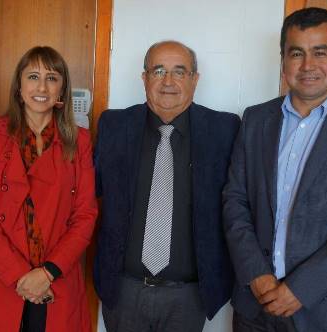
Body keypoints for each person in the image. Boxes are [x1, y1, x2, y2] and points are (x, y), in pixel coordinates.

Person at [223, 7, 327, 332]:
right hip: (255, 306)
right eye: (296, 53)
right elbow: (235, 200)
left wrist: (301, 288)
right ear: (283, 60)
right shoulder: (256, 119)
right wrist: (255, 274)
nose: (307, 66)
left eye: (321, 52)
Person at [94, 40, 240, 332]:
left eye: (180, 71)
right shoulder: (113, 125)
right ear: (144, 78)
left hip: (189, 297)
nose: (168, 81)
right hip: (123, 291)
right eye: (158, 70)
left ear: (195, 79)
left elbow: (238, 205)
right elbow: (88, 198)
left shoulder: (224, 130)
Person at [0, 46, 97, 332]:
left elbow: (85, 216)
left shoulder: (78, 141)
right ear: (19, 87)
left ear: (62, 92)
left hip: (56, 277)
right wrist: (22, 276)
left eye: (52, 78)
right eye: (32, 76)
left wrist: (48, 273)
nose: (41, 86)